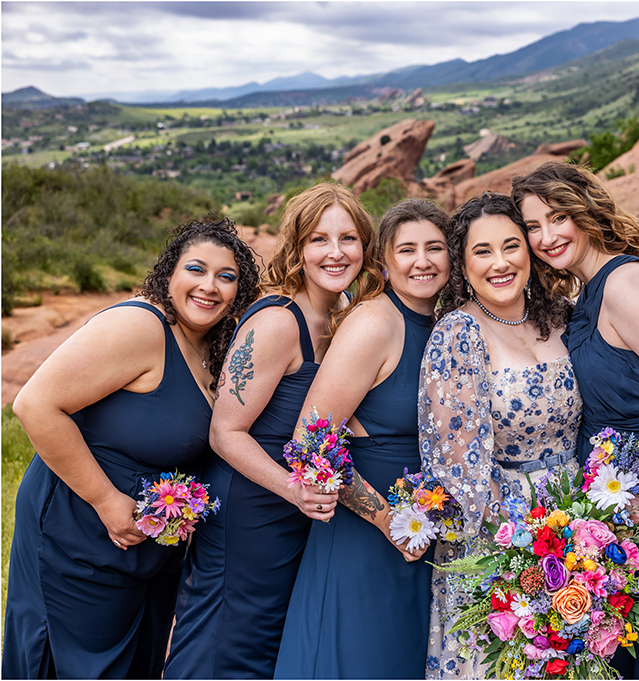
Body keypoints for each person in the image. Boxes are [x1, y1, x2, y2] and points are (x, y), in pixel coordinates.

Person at [2, 217, 259, 679]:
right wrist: (105, 500)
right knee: (76, 664)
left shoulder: (211, 348)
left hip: (148, 550)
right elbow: (35, 405)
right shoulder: (139, 326)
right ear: (170, 273)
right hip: (79, 531)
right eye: (196, 269)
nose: (209, 286)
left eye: (227, 277)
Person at [512, 161, 639, 680]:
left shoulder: (625, 284)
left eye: (557, 217)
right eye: (532, 227)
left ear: (584, 208)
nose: (545, 237)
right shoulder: (585, 291)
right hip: (612, 505)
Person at [164, 183, 383, 679]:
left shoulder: (343, 311)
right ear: (297, 248)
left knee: (269, 646)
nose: (335, 252)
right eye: (318, 239)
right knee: (227, 643)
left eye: (348, 238)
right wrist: (296, 488)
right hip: (253, 507)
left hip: (296, 510)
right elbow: (226, 432)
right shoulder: (279, 321)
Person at [273, 199, 451, 679]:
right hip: (366, 539)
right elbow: (311, 444)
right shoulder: (374, 324)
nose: (423, 261)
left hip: (422, 537)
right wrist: (388, 521)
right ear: (385, 264)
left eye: (435, 248)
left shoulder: (447, 323)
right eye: (407, 249)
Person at [419, 192, 582, 679]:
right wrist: (523, 554)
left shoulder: (559, 318)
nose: (500, 263)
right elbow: (455, 464)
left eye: (511, 246)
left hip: (575, 515)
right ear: (462, 264)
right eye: (482, 251)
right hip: (498, 536)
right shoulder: (458, 333)